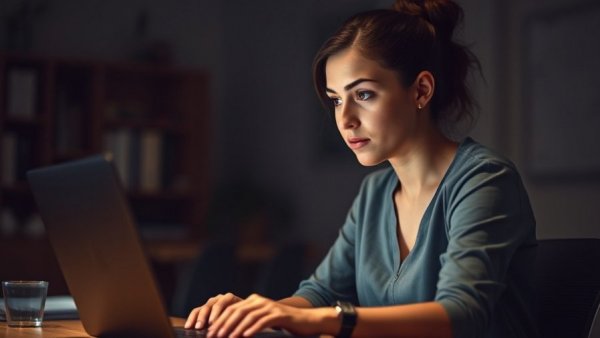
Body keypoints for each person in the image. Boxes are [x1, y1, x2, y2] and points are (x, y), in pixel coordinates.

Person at [185, 0, 538, 337]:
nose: (345, 119)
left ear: (421, 90)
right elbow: (321, 293)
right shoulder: (375, 193)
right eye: (336, 99)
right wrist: (255, 312)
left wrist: (327, 320)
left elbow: (461, 315)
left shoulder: (485, 180)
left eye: (364, 94)